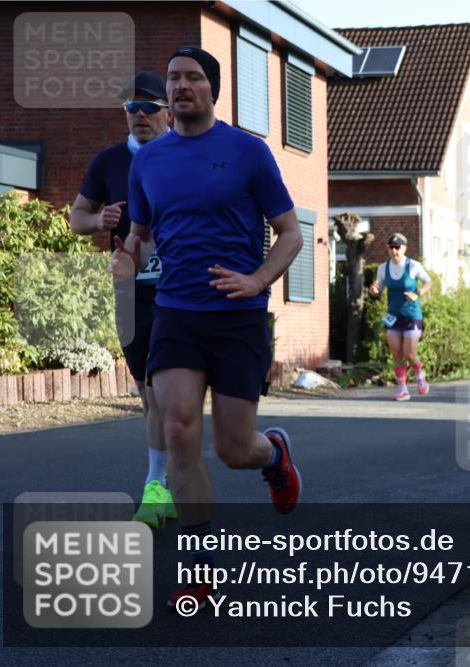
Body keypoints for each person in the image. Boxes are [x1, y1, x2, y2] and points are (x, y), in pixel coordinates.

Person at [118, 47, 303, 610]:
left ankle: (273, 454)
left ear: (213, 90)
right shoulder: (148, 161)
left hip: (237, 317)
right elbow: (142, 235)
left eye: (193, 78)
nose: (180, 86)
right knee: (177, 428)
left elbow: (291, 232)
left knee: (232, 448)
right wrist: (127, 255)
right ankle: (200, 566)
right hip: (176, 312)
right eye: (173, 78)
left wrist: (258, 279)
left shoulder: (248, 152)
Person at [70, 72, 176, 528]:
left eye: (149, 107)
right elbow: (76, 217)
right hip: (131, 292)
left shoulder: (183, 156)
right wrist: (98, 221)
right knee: (149, 395)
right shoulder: (109, 162)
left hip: (179, 290)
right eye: (132, 107)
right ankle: (166, 481)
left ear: (168, 114)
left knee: (159, 389)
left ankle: (156, 485)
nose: (139, 115)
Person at [368, 233, 432, 400]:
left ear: (404, 248)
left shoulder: (413, 265)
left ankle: (420, 375)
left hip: (412, 315)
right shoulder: (383, 268)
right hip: (393, 316)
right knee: (396, 353)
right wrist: (373, 291)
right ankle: (403, 389)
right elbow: (379, 288)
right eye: (391, 247)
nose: (394, 251)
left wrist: (417, 293)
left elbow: (428, 282)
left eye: (397, 247)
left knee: (409, 353)